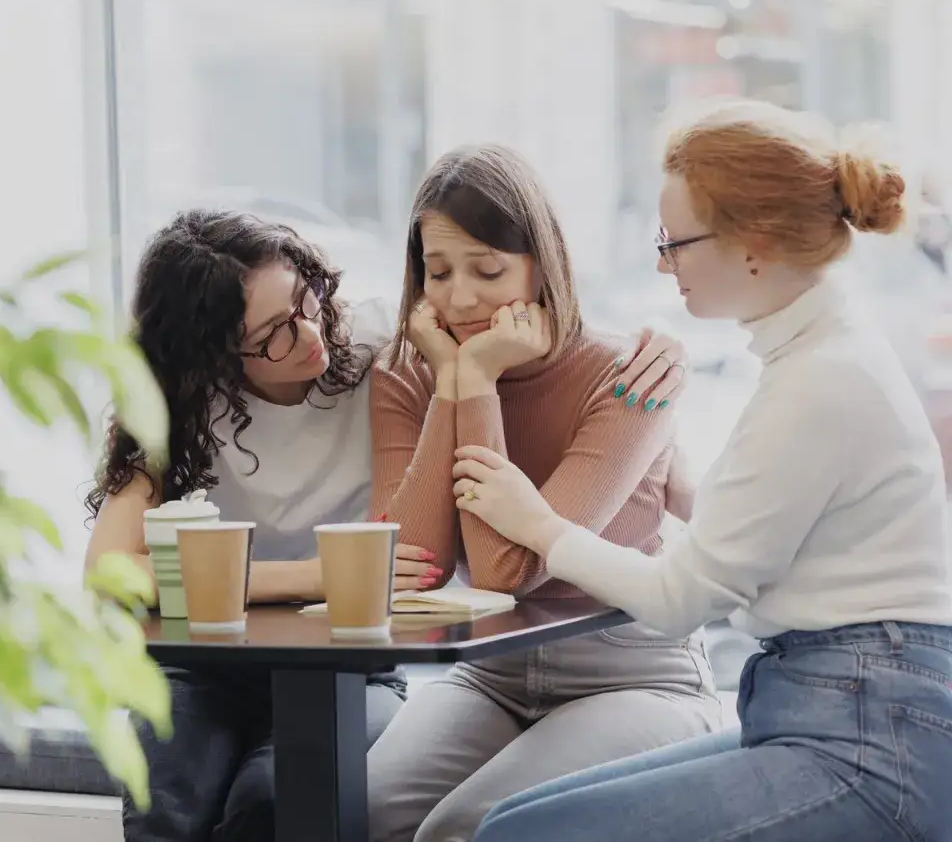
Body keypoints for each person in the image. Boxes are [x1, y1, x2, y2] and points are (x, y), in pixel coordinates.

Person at [86, 208, 685, 842]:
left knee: (273, 801)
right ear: (211, 355)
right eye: (273, 335)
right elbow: (109, 572)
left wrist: (660, 350)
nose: (310, 333)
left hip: (348, 666)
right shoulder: (172, 404)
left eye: (304, 299)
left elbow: (546, 344)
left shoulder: (377, 344)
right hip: (205, 665)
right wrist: (313, 577)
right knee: (168, 802)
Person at [466, 100, 952, 842]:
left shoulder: (820, 380)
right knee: (507, 823)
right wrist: (674, 487)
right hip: (844, 706)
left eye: (674, 242)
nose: (664, 264)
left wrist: (535, 521)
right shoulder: (820, 353)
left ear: (752, 246)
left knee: (516, 836)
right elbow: (771, 539)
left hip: (870, 734)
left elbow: (680, 598)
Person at [364, 143, 722, 842]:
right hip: (489, 675)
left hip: (637, 676)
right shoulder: (408, 374)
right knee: (361, 811)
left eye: (488, 270)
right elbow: (414, 565)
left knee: (469, 827)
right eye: (437, 272)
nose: (459, 296)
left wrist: (478, 375)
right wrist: (459, 382)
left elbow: (509, 571)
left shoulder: (629, 378)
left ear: (541, 262)